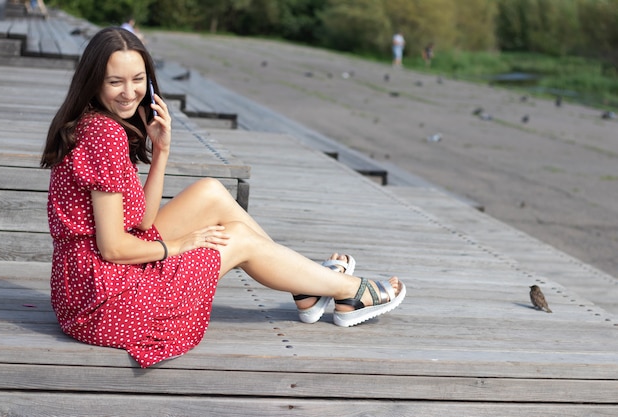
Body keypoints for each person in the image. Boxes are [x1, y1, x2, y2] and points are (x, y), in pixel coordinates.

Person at [40, 27, 405, 368]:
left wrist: (161, 151)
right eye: (115, 81)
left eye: (138, 80)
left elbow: (142, 223)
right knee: (239, 239)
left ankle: (304, 286)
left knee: (210, 192)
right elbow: (113, 249)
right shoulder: (105, 135)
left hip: (85, 286)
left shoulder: (95, 124)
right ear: (93, 82)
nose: (129, 92)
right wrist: (181, 245)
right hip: (105, 303)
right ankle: (348, 292)